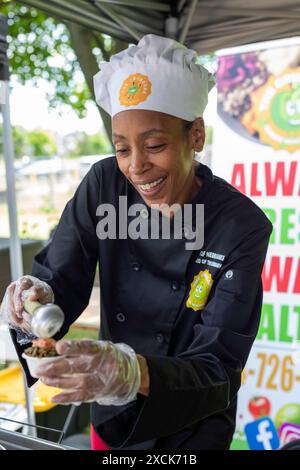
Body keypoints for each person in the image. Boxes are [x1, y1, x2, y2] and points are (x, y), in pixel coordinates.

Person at [0, 34, 272, 450]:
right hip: (110, 412)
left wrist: (133, 373)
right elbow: (58, 277)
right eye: (122, 148)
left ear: (195, 135)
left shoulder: (240, 225)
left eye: (155, 145)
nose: (136, 166)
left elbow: (219, 365)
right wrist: (33, 301)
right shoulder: (104, 184)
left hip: (193, 427)